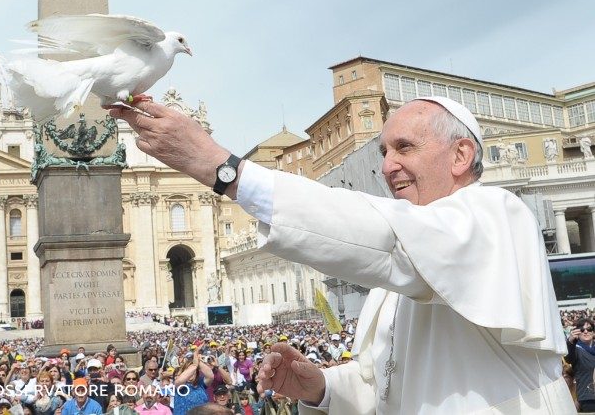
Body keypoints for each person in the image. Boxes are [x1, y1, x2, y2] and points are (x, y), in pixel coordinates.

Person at [111, 96, 573, 414]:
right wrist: (324, 387)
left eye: (405, 147)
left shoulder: (496, 214)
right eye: (384, 151)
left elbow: (385, 236)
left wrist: (225, 170)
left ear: (461, 155)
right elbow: (382, 384)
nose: (387, 165)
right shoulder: (396, 281)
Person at [565, 318, 595, 411]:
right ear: (578, 333)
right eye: (582, 329)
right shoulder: (576, 349)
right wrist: (570, 341)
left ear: (593, 332)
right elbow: (569, 358)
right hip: (588, 398)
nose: (586, 331)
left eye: (589, 329)